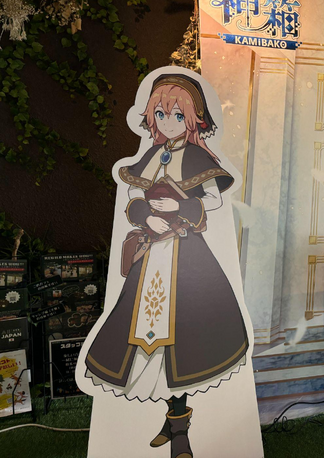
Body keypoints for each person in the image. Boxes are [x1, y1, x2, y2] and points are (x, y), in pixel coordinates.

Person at [84, 73, 248, 458]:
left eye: (176, 115)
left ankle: (180, 432)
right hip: (150, 253)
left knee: (185, 339)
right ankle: (172, 423)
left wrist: (180, 206)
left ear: (192, 119)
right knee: (145, 337)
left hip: (187, 254)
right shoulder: (151, 155)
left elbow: (214, 200)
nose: (168, 122)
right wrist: (147, 218)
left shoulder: (198, 157)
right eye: (160, 114)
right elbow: (134, 198)